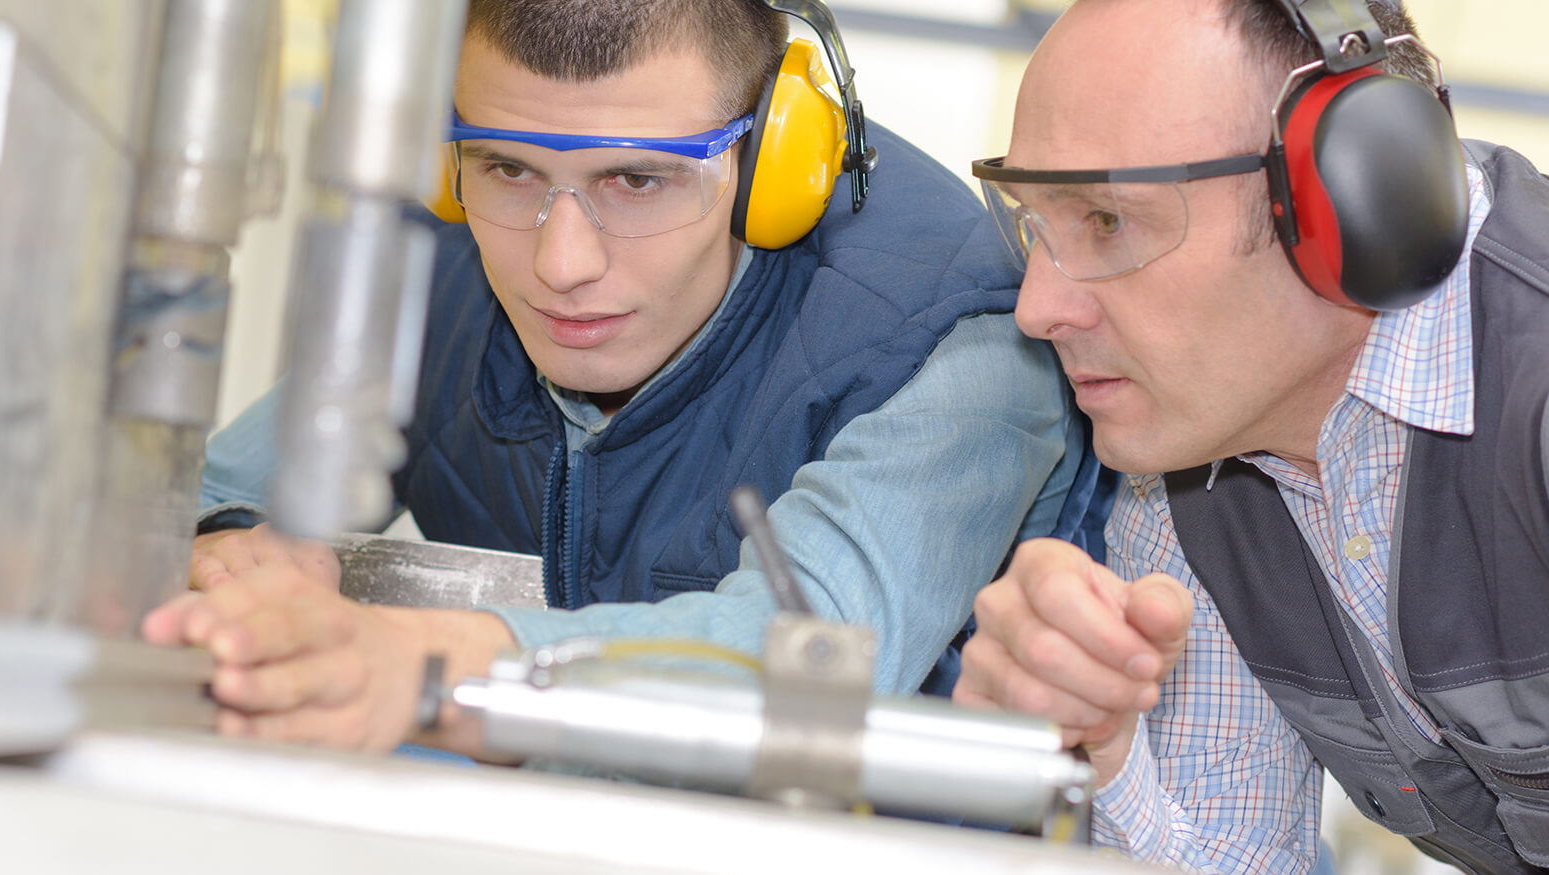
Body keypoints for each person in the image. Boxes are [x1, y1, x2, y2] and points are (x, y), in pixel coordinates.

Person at [144, 0, 1103, 760]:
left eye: (637, 181)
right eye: (508, 168)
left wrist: (430, 665)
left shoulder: (957, 343)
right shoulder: (442, 262)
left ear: (774, 162)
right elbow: (198, 482)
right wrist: (228, 544)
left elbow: (807, 660)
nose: (560, 264)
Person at [951, 0, 1548, 871]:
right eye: (1032, 222)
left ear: (1361, 191)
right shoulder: (1188, 465)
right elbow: (1233, 850)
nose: (1038, 309)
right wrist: (1098, 750)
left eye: (1107, 222)